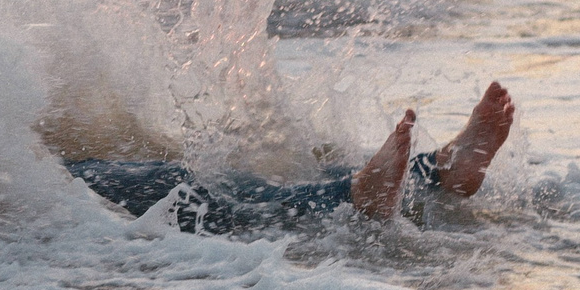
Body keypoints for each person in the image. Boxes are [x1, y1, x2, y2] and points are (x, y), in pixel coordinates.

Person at [65, 82, 517, 233]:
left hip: (65, 174)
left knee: (237, 188)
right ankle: (390, 183)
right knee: (196, 191)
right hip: (68, 178)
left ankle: (432, 171)